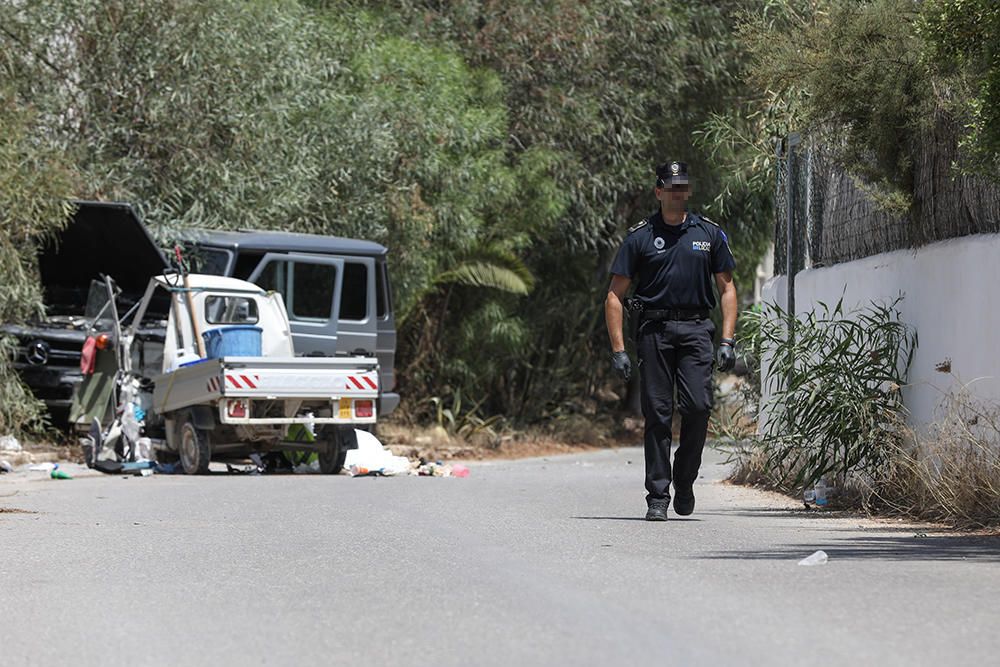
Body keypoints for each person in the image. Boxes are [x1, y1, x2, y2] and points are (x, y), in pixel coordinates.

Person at [604, 160, 737, 521]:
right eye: (671, 187)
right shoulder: (640, 237)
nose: (678, 193)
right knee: (658, 415)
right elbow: (615, 295)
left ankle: (685, 478)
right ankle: (658, 496)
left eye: (683, 186)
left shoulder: (708, 234)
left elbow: (727, 289)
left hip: (696, 331)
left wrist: (727, 339)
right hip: (654, 333)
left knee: (697, 407)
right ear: (659, 191)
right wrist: (618, 350)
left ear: (688, 191)